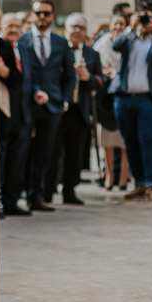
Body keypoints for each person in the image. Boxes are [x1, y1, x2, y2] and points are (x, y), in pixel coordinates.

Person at [17, 0, 75, 211]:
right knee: (23, 150)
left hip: (53, 106)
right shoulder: (22, 40)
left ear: (52, 16)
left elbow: (70, 75)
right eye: (38, 13)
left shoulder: (60, 42)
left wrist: (65, 100)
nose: (42, 17)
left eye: (46, 13)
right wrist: (33, 92)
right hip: (27, 104)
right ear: (33, 15)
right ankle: (18, 193)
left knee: (45, 153)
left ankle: (37, 196)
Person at [109, 11, 152, 200]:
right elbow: (115, 45)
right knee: (130, 142)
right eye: (142, 19)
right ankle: (139, 184)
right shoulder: (129, 39)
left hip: (147, 99)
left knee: (147, 140)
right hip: (124, 98)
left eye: (149, 19)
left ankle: (151, 184)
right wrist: (130, 28)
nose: (145, 22)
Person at [47, 12, 103, 205]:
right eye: (74, 27)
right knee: (53, 151)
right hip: (58, 107)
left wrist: (88, 78)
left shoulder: (92, 54)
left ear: (86, 32)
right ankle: (47, 190)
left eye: (81, 27)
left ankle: (69, 190)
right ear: (66, 29)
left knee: (75, 153)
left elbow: (100, 82)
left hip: (80, 110)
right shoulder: (56, 49)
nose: (77, 31)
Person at [93, 12, 129, 191]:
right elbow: (96, 68)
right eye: (115, 24)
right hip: (106, 98)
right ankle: (109, 175)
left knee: (124, 139)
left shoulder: (130, 42)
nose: (118, 27)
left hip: (125, 94)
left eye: (122, 24)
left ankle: (123, 177)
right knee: (107, 138)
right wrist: (109, 73)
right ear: (110, 26)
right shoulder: (101, 45)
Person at [0, 13, 26, 217]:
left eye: (17, 26)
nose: (14, 30)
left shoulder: (14, 47)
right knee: (0, 159)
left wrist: (5, 72)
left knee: (15, 161)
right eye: (9, 26)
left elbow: (18, 77)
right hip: (0, 112)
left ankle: (10, 201)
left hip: (19, 113)